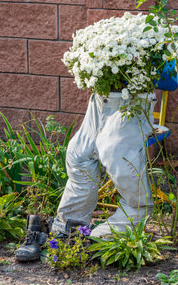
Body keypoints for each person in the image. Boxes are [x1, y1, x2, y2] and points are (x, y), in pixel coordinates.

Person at [15, 92, 169, 262]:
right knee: (79, 153)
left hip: (132, 106)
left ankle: (130, 216)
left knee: (115, 155)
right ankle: (70, 223)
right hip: (102, 103)